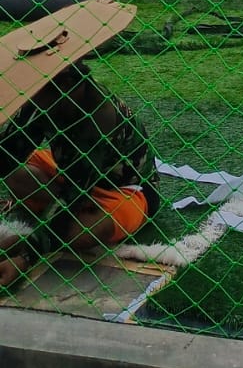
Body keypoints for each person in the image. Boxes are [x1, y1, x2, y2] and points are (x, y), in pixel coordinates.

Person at [0, 59, 159, 289]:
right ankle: (66, 216)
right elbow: (10, 153)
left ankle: (46, 232)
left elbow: (71, 197)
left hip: (124, 189)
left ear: (66, 84)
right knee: (16, 175)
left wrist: (24, 257)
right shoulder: (43, 96)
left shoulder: (100, 115)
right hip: (72, 176)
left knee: (84, 232)